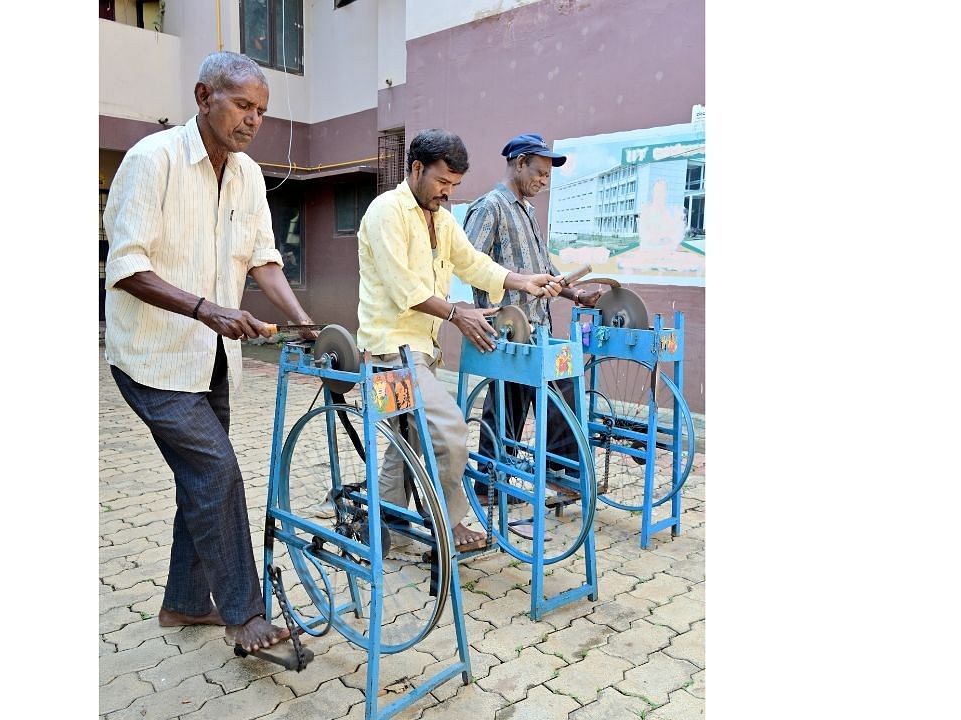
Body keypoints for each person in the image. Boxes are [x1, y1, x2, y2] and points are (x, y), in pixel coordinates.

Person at [103, 51, 316, 656]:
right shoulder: (154, 160)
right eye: (243, 105)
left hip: (213, 360)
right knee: (217, 473)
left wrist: (302, 323)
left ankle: (185, 602)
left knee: (201, 481)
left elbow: (263, 259)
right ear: (203, 97)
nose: (253, 120)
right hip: (153, 358)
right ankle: (245, 615)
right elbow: (127, 267)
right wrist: (207, 309)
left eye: (261, 112)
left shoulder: (247, 174)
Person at [357, 128, 563, 552]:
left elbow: (475, 265)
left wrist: (524, 280)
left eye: (454, 186)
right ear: (416, 169)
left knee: (404, 442)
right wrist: (457, 314)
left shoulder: (442, 220)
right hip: (387, 352)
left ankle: (388, 530)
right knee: (450, 432)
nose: (447, 193)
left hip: (421, 351)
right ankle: (448, 523)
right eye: (442, 182)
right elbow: (405, 289)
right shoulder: (387, 212)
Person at [464, 133, 599, 526]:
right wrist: (515, 286)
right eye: (539, 172)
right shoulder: (490, 208)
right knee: (516, 402)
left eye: (547, 176)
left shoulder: (527, 211)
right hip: (506, 327)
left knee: (530, 399)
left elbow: (547, 269)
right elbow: (471, 265)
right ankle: (503, 480)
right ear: (519, 163)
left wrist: (575, 294)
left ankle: (538, 476)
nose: (544, 181)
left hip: (537, 326)